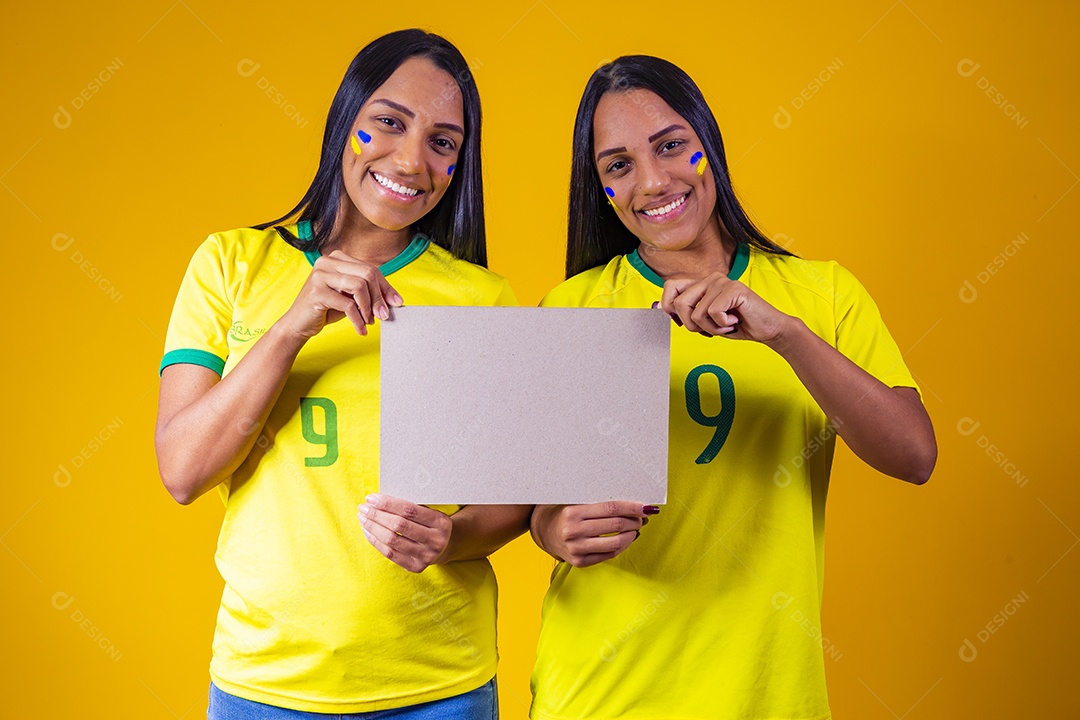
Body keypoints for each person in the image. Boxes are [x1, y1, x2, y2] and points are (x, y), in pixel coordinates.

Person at [529, 55, 937, 719]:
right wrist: (555, 530)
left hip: (767, 693)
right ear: (600, 187)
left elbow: (914, 456)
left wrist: (785, 335)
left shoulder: (821, 294)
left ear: (707, 147)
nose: (653, 180)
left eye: (672, 146)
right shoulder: (571, 308)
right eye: (618, 165)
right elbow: (533, 508)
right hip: (603, 690)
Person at [155, 29, 529, 719]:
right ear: (345, 121)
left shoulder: (486, 297)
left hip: (439, 686)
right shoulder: (233, 264)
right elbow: (183, 471)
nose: (412, 160)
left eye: (443, 143)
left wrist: (452, 537)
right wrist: (293, 325)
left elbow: (514, 505)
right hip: (264, 685)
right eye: (388, 123)